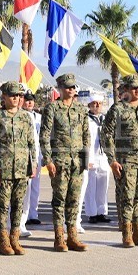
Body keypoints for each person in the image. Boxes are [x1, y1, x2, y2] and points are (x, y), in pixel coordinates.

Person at [102, 75, 138, 248]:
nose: (137, 91)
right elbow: (106, 136)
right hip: (125, 160)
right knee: (127, 196)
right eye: (133, 88)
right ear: (126, 89)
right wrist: (112, 160)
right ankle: (127, 234)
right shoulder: (117, 109)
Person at [0, 81, 36, 255]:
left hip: (21, 169)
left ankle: (15, 240)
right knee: (3, 206)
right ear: (4, 97)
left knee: (18, 205)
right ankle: (4, 241)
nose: (17, 98)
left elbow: (31, 143)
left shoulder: (25, 117)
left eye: (19, 96)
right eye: (13, 95)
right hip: (3, 169)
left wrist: (33, 164)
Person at [40, 73, 90, 252]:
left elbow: (86, 136)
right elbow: (44, 136)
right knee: (59, 200)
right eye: (68, 87)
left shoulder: (81, 109)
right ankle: (59, 238)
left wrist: (85, 159)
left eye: (73, 87)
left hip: (76, 162)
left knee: (74, 200)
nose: (71, 90)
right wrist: (48, 160)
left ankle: (73, 236)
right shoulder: (52, 108)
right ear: (60, 88)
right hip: (60, 162)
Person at [81, 93, 111, 225]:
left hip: (103, 155)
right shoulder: (85, 119)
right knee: (90, 185)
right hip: (91, 155)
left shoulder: (106, 119)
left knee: (103, 185)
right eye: (94, 104)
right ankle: (92, 213)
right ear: (89, 105)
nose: (97, 106)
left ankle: (102, 212)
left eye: (99, 103)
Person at [20, 91, 42, 237]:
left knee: (36, 187)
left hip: (37, 155)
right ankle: (23, 218)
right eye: (27, 100)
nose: (29, 103)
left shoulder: (39, 117)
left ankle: (33, 214)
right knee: (25, 189)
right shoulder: (21, 116)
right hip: (25, 156)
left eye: (31, 101)